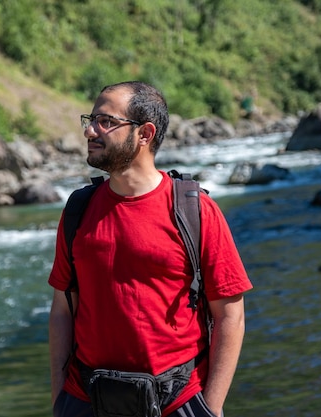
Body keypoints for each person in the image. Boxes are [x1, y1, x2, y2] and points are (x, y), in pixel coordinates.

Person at [48, 81, 253, 417]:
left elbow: (231, 314)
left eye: (106, 122)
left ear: (144, 134)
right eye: (91, 120)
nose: (90, 131)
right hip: (85, 398)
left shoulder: (195, 210)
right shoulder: (78, 209)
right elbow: (62, 310)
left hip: (177, 400)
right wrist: (60, 400)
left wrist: (211, 408)